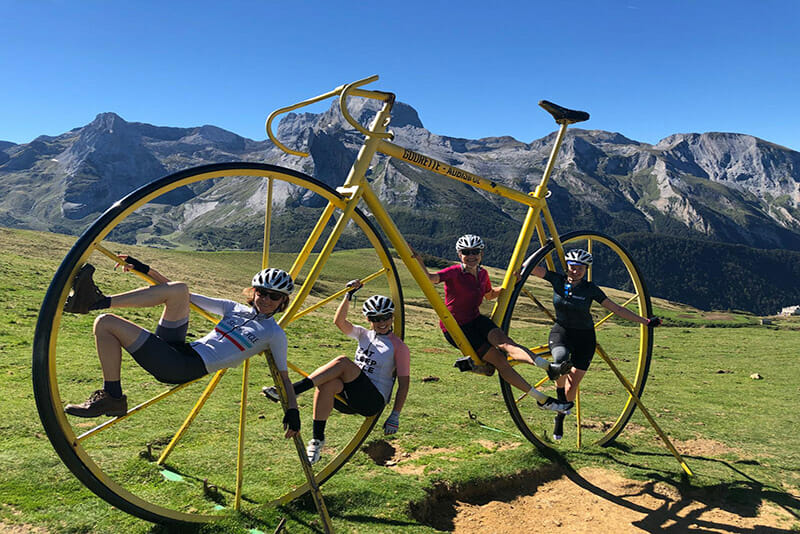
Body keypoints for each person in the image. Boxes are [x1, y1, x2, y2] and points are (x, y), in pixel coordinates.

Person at [61, 258, 301, 439]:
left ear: (283, 302)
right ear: (253, 292)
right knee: (180, 290)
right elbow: (176, 291)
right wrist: (144, 270)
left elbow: (284, 377)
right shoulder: (233, 308)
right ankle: (96, 301)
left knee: (106, 323)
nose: (266, 299)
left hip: (183, 366)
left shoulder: (274, 334)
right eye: (262, 292)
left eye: (274, 296)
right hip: (180, 348)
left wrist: (293, 411)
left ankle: (112, 396)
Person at [414, 234, 573, 414]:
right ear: (460, 254)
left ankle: (549, 367)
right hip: (457, 328)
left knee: (506, 343)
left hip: (476, 319)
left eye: (475, 252)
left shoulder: (483, 274)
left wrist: (512, 283)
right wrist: (416, 258)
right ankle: (542, 399)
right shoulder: (454, 273)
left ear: (481, 253)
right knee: (500, 363)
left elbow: (489, 294)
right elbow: (430, 278)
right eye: (466, 252)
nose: (471, 255)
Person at [263, 282, 410, 464]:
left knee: (342, 362)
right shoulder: (364, 334)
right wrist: (348, 296)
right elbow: (339, 322)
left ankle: (290, 390)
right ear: (368, 319)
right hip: (352, 396)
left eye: (386, 317)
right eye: (376, 318)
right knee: (327, 384)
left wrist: (395, 415)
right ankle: (317, 441)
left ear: (392, 317)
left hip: (373, 400)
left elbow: (404, 383)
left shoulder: (399, 347)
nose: (382, 322)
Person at [530, 248, 661, 440]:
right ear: (567, 266)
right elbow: (529, 267)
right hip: (562, 331)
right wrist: (545, 248)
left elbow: (616, 308)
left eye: (580, 268)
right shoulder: (556, 279)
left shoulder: (590, 289)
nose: (576, 271)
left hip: (585, 338)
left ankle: (560, 418)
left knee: (572, 386)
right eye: (573, 267)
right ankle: (560, 401)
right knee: (559, 362)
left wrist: (646, 322)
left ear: (586, 269)